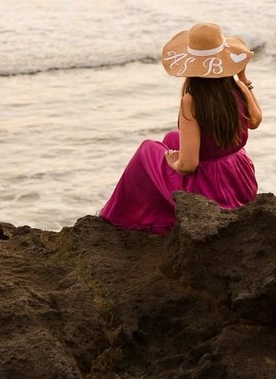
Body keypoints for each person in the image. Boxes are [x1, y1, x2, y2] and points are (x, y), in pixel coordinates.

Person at [99, 22, 263, 234]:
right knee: (172, 138)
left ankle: (116, 217)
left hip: (211, 194)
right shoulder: (237, 88)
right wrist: (242, 78)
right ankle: (161, 212)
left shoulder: (192, 101)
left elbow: (188, 166)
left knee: (147, 150)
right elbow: (255, 121)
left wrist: (171, 159)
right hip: (241, 181)